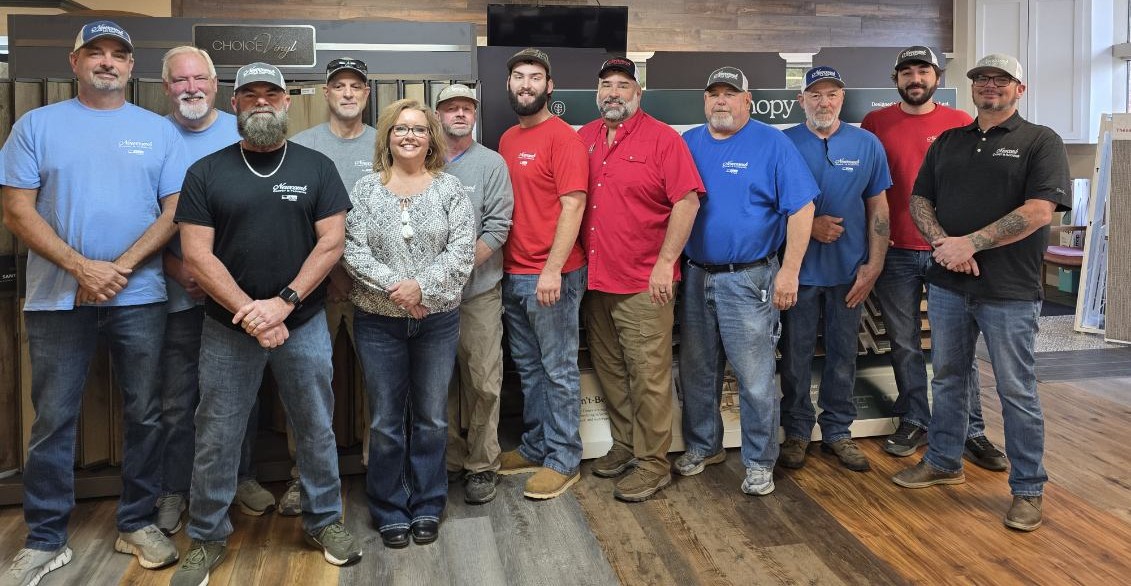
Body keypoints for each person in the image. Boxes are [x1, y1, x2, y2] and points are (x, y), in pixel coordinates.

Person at [0, 20, 187, 585]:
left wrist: (118, 269)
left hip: (142, 296)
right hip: (57, 298)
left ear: (132, 67)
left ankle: (136, 520)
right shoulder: (35, 125)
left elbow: (175, 211)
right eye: (96, 53)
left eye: (118, 55)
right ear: (74, 61)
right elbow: (16, 209)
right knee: (54, 418)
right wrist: (81, 267)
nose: (108, 62)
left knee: (145, 412)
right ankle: (46, 537)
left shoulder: (158, 131)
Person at [170, 62, 361, 585]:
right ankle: (207, 536)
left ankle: (324, 521)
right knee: (217, 433)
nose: (260, 102)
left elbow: (331, 243)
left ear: (286, 102)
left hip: (302, 324)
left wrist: (283, 304)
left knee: (316, 427)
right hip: (227, 329)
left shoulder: (316, 167)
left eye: (270, 94)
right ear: (233, 104)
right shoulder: (206, 172)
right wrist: (253, 315)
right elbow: (197, 255)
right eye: (248, 94)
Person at [891, 54, 1071, 533]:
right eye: (982, 80)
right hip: (950, 284)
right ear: (971, 88)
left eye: (1001, 80)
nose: (990, 86)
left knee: (1016, 390)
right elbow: (919, 199)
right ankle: (945, 461)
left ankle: (1028, 489)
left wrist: (971, 242)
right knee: (949, 377)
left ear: (1019, 89)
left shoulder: (1040, 141)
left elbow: (1037, 212)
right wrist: (945, 248)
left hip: (1009, 290)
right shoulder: (950, 141)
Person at [861, 46, 1008, 470]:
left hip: (950, 252)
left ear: (937, 78)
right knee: (905, 343)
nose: (915, 78)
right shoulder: (875, 123)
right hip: (897, 253)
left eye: (922, 70)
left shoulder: (961, 123)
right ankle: (914, 419)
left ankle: (971, 429)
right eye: (906, 72)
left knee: (955, 349)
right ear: (896, 80)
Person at [678, 66, 817, 496]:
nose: (721, 101)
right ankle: (705, 446)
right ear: (704, 100)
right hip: (696, 275)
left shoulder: (772, 143)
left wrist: (790, 270)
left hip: (750, 279)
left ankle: (759, 462)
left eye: (729, 94)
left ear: (747, 99)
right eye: (713, 93)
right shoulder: (689, 142)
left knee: (755, 378)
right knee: (698, 371)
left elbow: (802, 208)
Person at [343, 98, 474, 547]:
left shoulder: (450, 191)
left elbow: (461, 255)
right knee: (384, 420)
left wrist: (422, 289)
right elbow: (352, 250)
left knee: (433, 417)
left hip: (437, 323)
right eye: (401, 129)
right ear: (387, 137)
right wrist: (399, 289)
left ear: (430, 138)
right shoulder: (364, 190)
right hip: (378, 324)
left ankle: (428, 502)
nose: (410, 136)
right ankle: (388, 505)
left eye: (419, 129)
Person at [156, 45, 274, 537]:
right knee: (180, 400)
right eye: (180, 81)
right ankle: (174, 490)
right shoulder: (154, 134)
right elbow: (149, 216)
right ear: (167, 87)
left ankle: (242, 478)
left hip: (236, 301)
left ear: (216, 85)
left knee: (240, 397)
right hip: (178, 294)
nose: (191, 88)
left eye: (199, 78)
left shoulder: (246, 131)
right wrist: (173, 264)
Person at [577, 58, 703, 502]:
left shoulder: (664, 140)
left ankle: (653, 462)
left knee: (648, 374)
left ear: (638, 93)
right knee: (610, 369)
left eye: (623, 85)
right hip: (596, 280)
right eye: (606, 84)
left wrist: (665, 263)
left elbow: (686, 203)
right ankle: (626, 445)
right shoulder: (585, 138)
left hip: (643, 282)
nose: (613, 92)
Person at [779, 66, 891, 472]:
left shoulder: (867, 144)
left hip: (850, 274)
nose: (823, 102)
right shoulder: (783, 143)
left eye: (831, 95)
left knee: (843, 356)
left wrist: (874, 266)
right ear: (801, 100)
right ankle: (795, 431)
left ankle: (838, 431)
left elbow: (878, 208)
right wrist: (811, 229)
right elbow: (769, 207)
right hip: (799, 274)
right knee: (795, 356)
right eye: (815, 95)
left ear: (842, 99)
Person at [495, 48, 589, 500]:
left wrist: (552, 270)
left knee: (558, 370)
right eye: (519, 77)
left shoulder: (563, 139)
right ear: (509, 85)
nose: (526, 84)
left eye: (535, 77)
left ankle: (564, 459)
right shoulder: (508, 138)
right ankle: (535, 446)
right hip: (513, 271)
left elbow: (574, 206)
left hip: (552, 275)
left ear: (549, 87)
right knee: (529, 369)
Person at [286, 56, 377, 517]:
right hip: (313, 289)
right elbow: (292, 222)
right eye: (338, 85)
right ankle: (305, 478)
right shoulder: (300, 146)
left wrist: (355, 273)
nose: (347, 93)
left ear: (366, 93)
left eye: (355, 86)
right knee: (307, 384)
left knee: (380, 384)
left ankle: (378, 468)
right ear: (325, 93)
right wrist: (330, 274)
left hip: (374, 290)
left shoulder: (386, 144)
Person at [434, 84, 514, 505]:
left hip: (478, 293)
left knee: (483, 382)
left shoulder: (491, 164)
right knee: (438, 383)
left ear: (475, 114)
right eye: (451, 108)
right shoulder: (422, 162)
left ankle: (482, 465)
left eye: (466, 108)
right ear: (439, 115)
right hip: (428, 300)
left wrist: (457, 269)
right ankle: (448, 460)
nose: (459, 114)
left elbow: (498, 227)